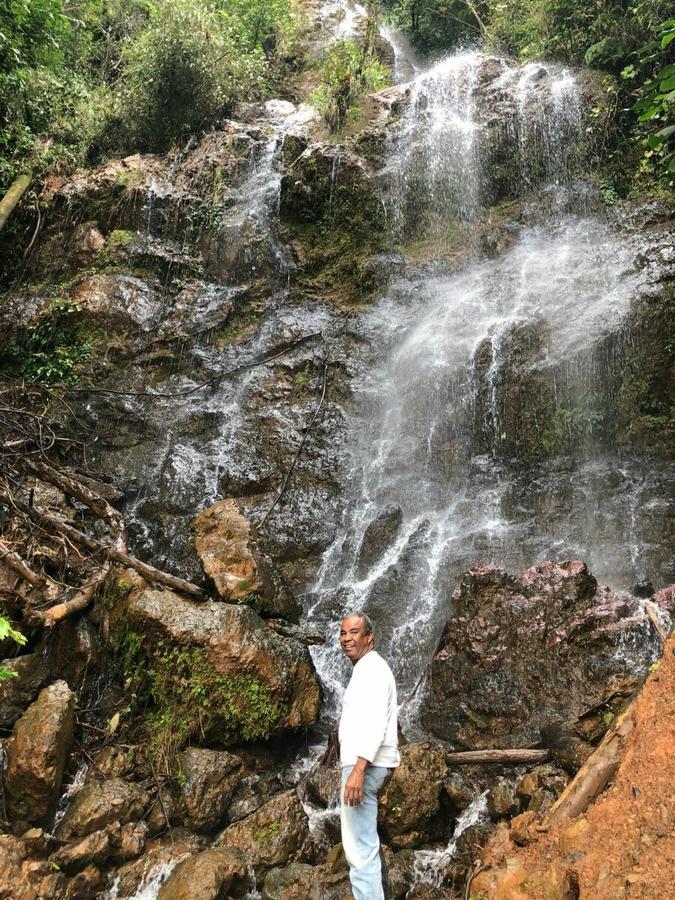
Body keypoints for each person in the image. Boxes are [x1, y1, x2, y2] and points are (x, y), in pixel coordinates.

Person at [338, 611, 400, 900]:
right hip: (368, 764)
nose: (346, 638)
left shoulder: (372, 669)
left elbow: (375, 721)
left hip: (365, 766)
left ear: (369, 636)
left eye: (354, 632)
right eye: (343, 633)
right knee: (366, 847)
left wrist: (358, 770)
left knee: (360, 851)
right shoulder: (367, 668)